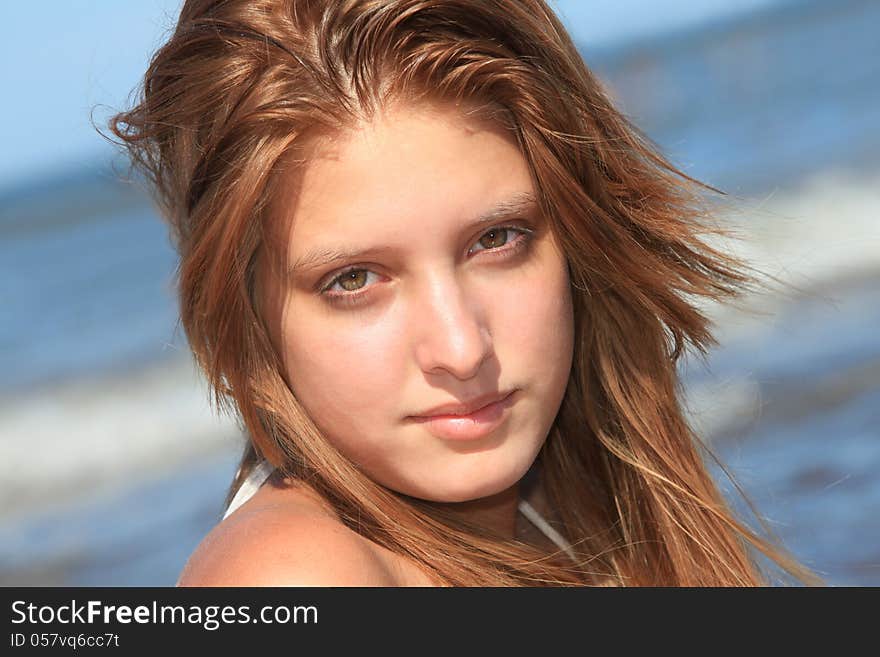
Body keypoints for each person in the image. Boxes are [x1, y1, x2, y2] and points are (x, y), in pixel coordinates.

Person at [110, 0, 820, 586]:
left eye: (497, 239)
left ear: (575, 231)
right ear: (244, 315)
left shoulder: (574, 507)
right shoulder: (296, 575)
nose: (461, 346)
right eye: (353, 280)